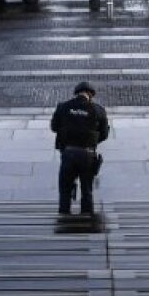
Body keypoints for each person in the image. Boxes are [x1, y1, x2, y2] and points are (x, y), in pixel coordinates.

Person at [51, 81, 110, 216]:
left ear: (76, 93)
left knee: (65, 189)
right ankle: (87, 219)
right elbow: (104, 134)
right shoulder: (98, 110)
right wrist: (91, 141)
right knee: (87, 190)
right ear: (91, 95)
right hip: (88, 155)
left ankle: (64, 217)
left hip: (68, 153)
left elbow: (54, 127)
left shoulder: (63, 107)